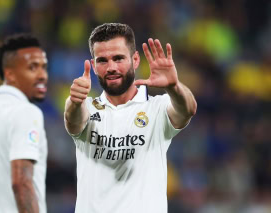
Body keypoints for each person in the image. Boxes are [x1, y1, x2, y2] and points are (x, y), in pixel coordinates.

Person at [64, 23, 197, 213]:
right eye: (102, 60)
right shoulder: (86, 106)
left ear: (135, 60)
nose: (111, 67)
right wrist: (74, 101)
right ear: (93, 66)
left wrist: (174, 86)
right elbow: (73, 119)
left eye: (118, 58)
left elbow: (188, 109)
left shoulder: (157, 108)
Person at [0, 34, 48, 213]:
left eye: (44, 67)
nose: (42, 75)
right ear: (10, 74)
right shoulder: (25, 112)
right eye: (32, 68)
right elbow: (21, 183)